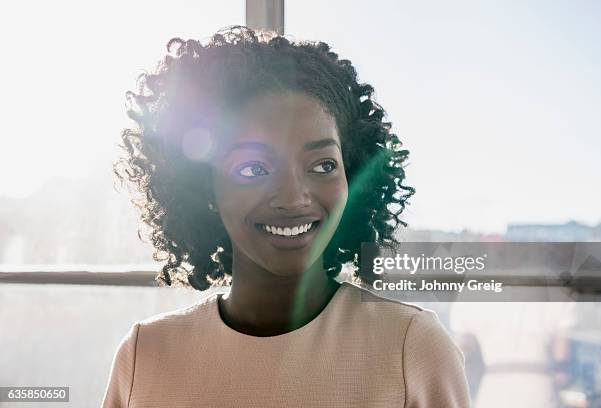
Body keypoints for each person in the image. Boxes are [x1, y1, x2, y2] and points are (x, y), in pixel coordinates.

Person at [102, 25, 470, 407]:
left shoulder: (412, 348)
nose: (294, 197)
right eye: (253, 169)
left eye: (323, 165)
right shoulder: (145, 355)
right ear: (204, 189)